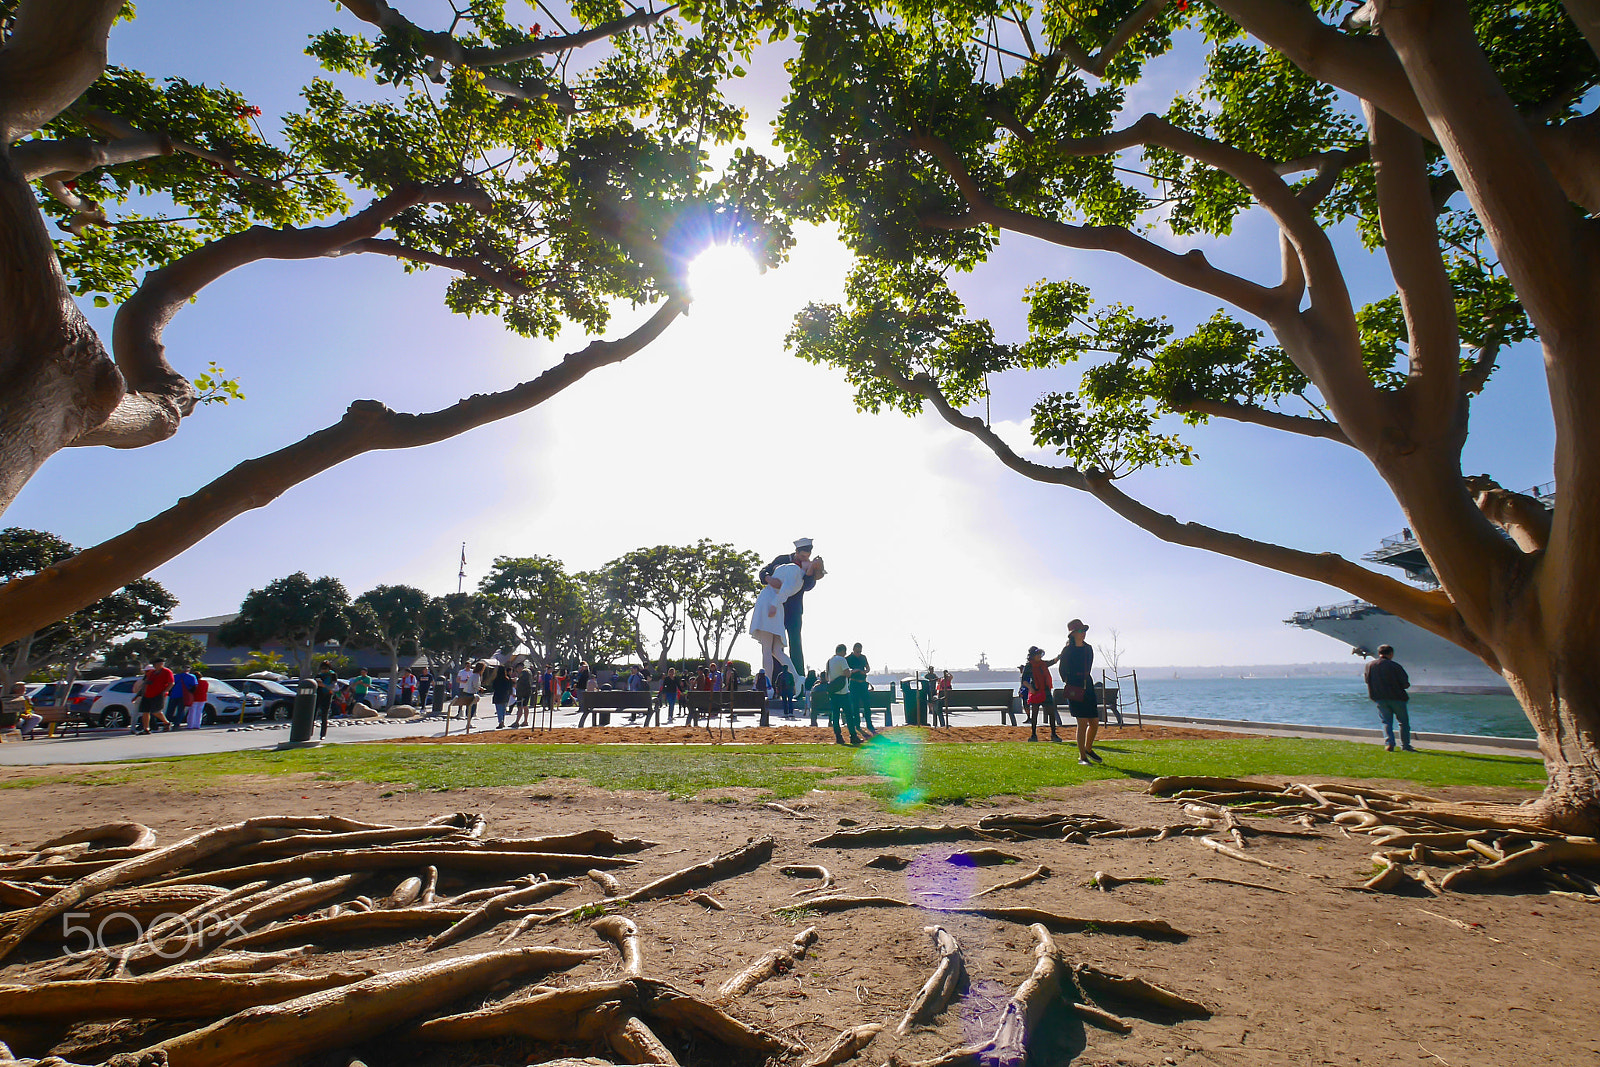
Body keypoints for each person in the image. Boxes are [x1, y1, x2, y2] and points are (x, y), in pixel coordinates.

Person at [758, 538, 825, 679]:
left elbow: (808, 586)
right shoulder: (782, 559)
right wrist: (769, 579)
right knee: (774, 646)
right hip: (776, 609)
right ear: (796, 552)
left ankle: (798, 679)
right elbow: (764, 571)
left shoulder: (808, 566)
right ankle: (776, 681)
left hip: (794, 610)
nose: (804, 558)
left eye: (807, 556)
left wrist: (811, 570)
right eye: (802, 556)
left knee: (795, 643)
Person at [1059, 619, 1100, 764]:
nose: (1083, 634)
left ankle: (1089, 749)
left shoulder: (1088, 648)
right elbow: (1062, 670)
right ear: (1073, 633)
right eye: (1081, 631)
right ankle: (1082, 756)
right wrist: (1070, 683)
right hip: (1074, 686)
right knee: (1082, 722)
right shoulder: (1068, 650)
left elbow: (1089, 665)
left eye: (1084, 631)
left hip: (1087, 684)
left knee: (1094, 721)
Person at [1365, 644, 1415, 752]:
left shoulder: (1369, 665)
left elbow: (1367, 680)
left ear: (1379, 653)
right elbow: (1405, 684)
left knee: (1386, 722)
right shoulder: (1395, 666)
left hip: (1380, 698)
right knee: (1403, 723)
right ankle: (1405, 745)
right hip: (1397, 698)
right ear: (1391, 654)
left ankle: (1389, 743)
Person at [1024, 646, 1064, 743]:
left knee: (1051, 713)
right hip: (1036, 691)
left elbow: (1053, 661)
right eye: (1037, 654)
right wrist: (1030, 688)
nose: (1039, 656)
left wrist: (1061, 655)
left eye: (1039, 654)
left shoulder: (1043, 664)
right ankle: (1033, 735)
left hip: (1046, 691)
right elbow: (1024, 680)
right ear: (1032, 656)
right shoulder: (1029, 666)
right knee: (1034, 714)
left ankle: (1053, 734)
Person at [824, 643, 859, 745]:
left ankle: (838, 737)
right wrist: (851, 671)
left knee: (835, 716)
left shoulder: (829, 661)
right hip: (843, 692)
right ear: (842, 651)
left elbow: (827, 677)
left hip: (833, 693)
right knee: (849, 715)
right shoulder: (842, 660)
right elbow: (848, 674)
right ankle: (853, 736)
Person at [135, 656, 175, 734]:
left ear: (161, 664)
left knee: (156, 711)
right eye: (154, 664)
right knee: (145, 712)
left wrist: (165, 691)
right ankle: (146, 729)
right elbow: (147, 683)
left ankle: (166, 723)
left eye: (156, 664)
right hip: (147, 694)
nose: (154, 666)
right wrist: (141, 693)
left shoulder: (167, 672)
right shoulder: (152, 673)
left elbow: (171, 683)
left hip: (158, 694)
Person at [846, 642, 875, 734]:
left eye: (860, 651)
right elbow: (846, 671)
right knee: (855, 705)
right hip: (854, 683)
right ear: (854, 649)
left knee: (867, 704)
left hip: (863, 683)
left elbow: (868, 668)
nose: (859, 653)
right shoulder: (848, 659)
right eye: (857, 651)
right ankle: (857, 724)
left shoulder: (863, 657)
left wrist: (865, 671)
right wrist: (854, 671)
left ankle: (869, 724)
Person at [491, 662, 515, 729]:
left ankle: (500, 722)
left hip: (498, 695)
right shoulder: (507, 679)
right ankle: (503, 721)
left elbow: (493, 687)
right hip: (505, 695)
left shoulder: (496, 679)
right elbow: (510, 687)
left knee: (499, 710)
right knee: (503, 709)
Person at [514, 663, 533, 728]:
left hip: (522, 692)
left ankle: (517, 721)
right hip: (527, 692)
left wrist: (516, 681)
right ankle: (525, 721)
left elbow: (521, 682)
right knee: (525, 706)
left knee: (520, 707)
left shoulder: (524, 672)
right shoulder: (528, 672)